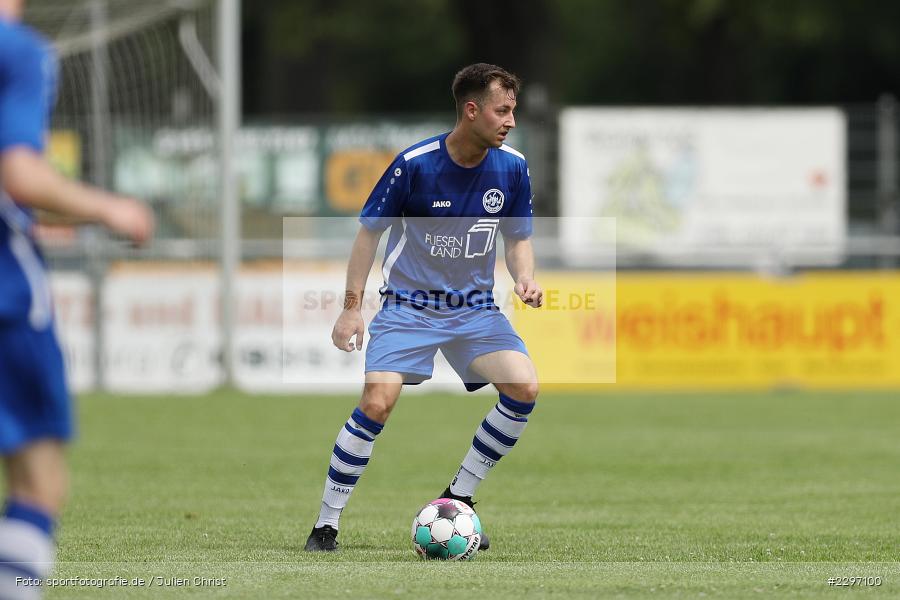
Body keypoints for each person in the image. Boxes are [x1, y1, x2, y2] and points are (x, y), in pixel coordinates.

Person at [305, 63, 543, 552]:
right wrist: (352, 309)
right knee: (376, 403)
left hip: (475, 309)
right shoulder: (414, 164)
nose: (510, 121)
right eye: (502, 110)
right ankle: (326, 524)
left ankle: (460, 497)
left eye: (513, 111)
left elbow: (518, 238)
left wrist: (524, 277)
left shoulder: (513, 167)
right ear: (471, 110)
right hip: (409, 307)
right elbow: (368, 235)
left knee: (524, 387)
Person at [0, 1, 154, 596]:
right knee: (37, 482)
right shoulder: (19, 51)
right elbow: (18, 173)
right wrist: (109, 208)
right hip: (8, 296)